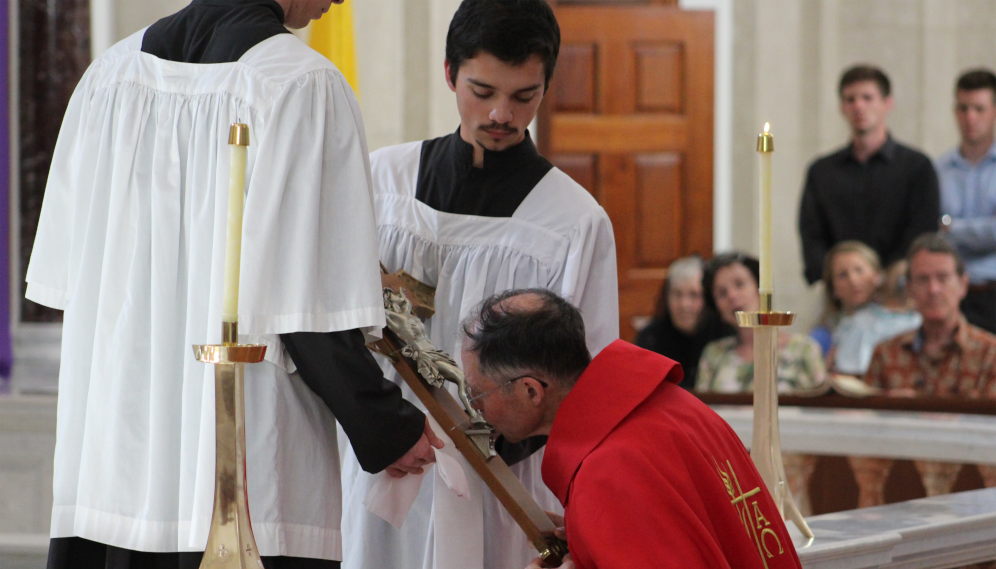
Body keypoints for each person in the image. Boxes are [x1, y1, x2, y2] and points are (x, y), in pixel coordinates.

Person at [25, 1, 441, 567]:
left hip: (113, 469)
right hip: (244, 475)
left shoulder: (108, 76)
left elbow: (72, 283)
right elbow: (307, 312)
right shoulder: (301, 84)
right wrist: (387, 428)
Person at [339, 2, 619, 569]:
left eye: (524, 96)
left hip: (501, 488)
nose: (501, 113)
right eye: (482, 89)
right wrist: (386, 431)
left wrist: (474, 451)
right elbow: (334, 320)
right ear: (449, 73)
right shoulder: (378, 183)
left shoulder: (572, 223)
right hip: (381, 463)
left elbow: (581, 385)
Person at [458, 289, 804, 569]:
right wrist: (591, 534)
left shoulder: (606, 475)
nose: (475, 408)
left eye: (477, 393)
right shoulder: (672, 404)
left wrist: (606, 519)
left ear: (530, 390)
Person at [799, 65, 940, 285]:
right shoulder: (822, 171)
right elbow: (812, 234)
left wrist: (885, 278)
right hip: (840, 291)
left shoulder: (916, 167)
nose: (859, 106)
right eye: (850, 99)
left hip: (898, 290)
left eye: (867, 97)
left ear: (887, 103)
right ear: (841, 107)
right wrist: (839, 278)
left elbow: (922, 231)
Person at [864, 233, 996, 397]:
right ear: (909, 288)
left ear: (963, 285)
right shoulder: (885, 355)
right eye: (923, 279)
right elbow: (867, 418)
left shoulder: (990, 354)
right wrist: (890, 409)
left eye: (943, 278)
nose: (933, 290)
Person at [696, 253, 826, 393]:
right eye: (722, 293)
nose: (732, 296)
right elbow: (702, 410)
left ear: (760, 290)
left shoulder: (804, 348)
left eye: (740, 284)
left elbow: (825, 406)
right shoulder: (714, 354)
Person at [937, 69, 996, 335]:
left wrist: (952, 227)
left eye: (979, 108)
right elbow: (934, 235)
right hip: (951, 297)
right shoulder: (938, 170)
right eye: (963, 108)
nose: (970, 117)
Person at [819, 241, 920, 375]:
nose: (853, 280)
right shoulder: (829, 331)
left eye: (859, 270)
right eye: (843, 275)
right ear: (833, 288)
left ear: (877, 276)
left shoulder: (906, 320)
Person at [634, 256, 733, 389]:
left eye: (694, 295)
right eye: (677, 294)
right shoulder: (650, 338)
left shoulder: (724, 336)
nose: (684, 304)